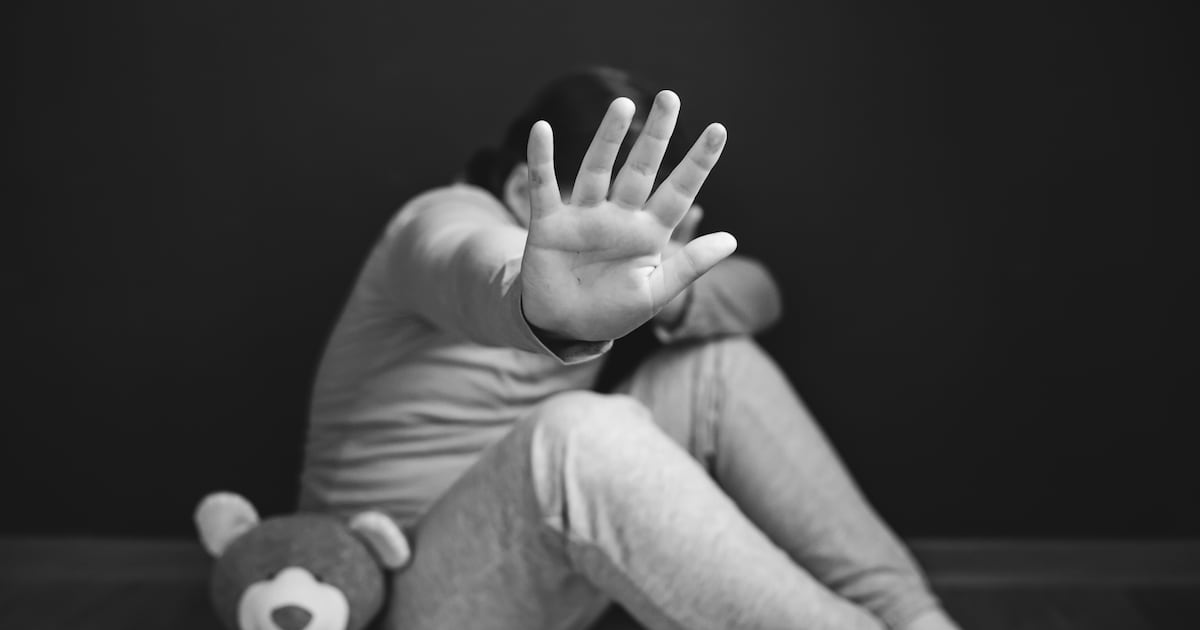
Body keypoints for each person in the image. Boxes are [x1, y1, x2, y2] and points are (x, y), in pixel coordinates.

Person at [299, 67, 961, 630]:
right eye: (603, 216)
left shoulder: (622, 270)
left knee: (714, 366)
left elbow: (762, 294)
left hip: (530, 562)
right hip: (390, 594)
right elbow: (471, 267)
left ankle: (920, 621)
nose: (619, 242)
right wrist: (539, 300)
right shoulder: (438, 221)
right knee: (576, 438)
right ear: (520, 193)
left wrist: (664, 289)